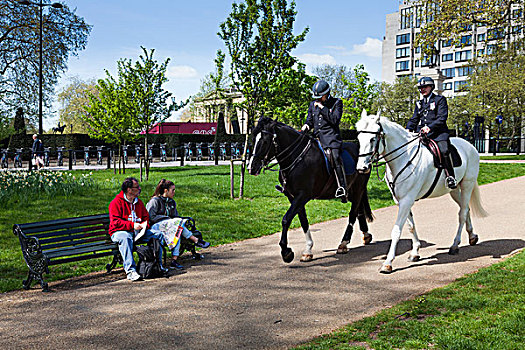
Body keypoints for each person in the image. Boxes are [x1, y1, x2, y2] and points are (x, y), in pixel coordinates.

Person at [108, 177, 166, 281]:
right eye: (137, 187)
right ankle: (131, 271)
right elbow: (115, 222)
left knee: (158, 234)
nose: (139, 189)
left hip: (138, 232)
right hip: (120, 232)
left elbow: (146, 218)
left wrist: (144, 225)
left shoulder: (138, 202)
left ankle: (158, 266)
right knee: (125, 238)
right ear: (129, 190)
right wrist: (132, 225)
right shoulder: (116, 203)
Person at [146, 179, 210, 270]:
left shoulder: (172, 202)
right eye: (173, 190)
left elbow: (176, 217)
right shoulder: (155, 201)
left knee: (177, 229)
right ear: (165, 191)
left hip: (171, 227)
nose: (174, 192)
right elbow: (151, 217)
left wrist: (173, 221)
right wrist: (168, 219)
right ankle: (196, 240)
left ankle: (174, 260)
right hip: (156, 227)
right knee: (175, 225)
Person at [301, 79, 347, 202]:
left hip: (331, 139)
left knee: (335, 156)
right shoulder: (312, 104)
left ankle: (342, 187)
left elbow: (335, 120)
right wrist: (306, 126)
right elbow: (309, 120)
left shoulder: (337, 103)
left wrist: (322, 108)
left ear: (326, 94)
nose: (317, 99)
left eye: (319, 97)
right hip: (316, 138)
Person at [407, 76, 457, 189]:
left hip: (439, 133)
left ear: (431, 87)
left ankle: (451, 177)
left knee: (444, 151)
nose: (422, 89)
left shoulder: (440, 100)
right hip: (422, 134)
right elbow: (414, 119)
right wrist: (408, 129)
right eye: (420, 87)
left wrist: (429, 127)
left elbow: (442, 118)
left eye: (425, 87)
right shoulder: (419, 103)